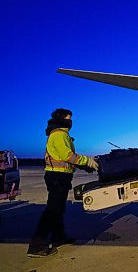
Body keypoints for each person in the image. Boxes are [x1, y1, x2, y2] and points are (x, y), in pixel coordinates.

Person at [27, 108, 99, 258]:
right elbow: (68, 156)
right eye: (69, 118)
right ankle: (36, 244)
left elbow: (66, 158)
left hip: (61, 176)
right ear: (63, 119)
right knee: (53, 209)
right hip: (56, 177)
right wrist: (88, 161)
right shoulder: (59, 135)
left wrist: (84, 166)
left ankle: (58, 236)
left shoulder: (61, 134)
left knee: (58, 208)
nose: (71, 121)